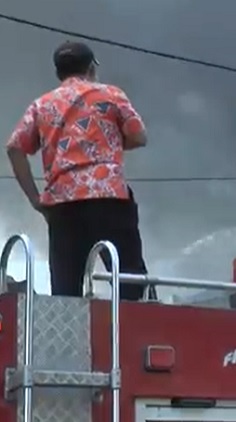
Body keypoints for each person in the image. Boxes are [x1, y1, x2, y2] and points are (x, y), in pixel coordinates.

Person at [5, 40, 150, 300]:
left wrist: (36, 199)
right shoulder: (111, 95)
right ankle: (131, 331)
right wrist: (108, 143)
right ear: (91, 68)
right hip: (108, 197)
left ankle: (70, 334)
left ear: (59, 72)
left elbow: (15, 148)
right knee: (128, 279)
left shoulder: (42, 105)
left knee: (66, 289)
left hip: (63, 203)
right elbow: (139, 137)